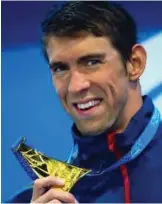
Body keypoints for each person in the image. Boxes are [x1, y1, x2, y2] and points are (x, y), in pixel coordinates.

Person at [7, 1, 162, 203]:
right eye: (60, 68)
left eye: (92, 62)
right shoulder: (37, 198)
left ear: (135, 63)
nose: (75, 86)